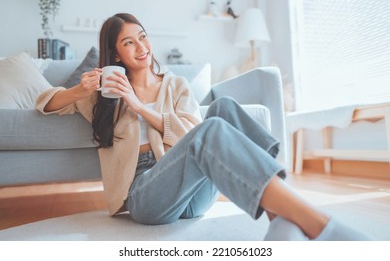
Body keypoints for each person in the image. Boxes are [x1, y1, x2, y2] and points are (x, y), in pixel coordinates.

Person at [35, 13, 372, 241]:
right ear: (116, 55)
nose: (142, 48)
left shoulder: (175, 84)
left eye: (143, 37)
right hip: (145, 195)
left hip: (191, 191)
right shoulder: (105, 97)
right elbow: (45, 103)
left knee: (223, 109)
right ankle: (320, 227)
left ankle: (278, 213)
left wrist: (141, 109)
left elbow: (191, 138)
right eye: (129, 43)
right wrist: (80, 90)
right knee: (210, 128)